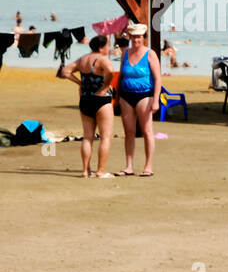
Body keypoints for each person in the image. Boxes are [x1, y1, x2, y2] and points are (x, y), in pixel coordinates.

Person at [57, 34, 116, 178]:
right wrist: (106, 86)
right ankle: (101, 170)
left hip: (85, 99)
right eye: (107, 46)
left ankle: (85, 171)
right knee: (105, 137)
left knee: (88, 137)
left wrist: (79, 82)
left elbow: (65, 71)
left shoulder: (83, 59)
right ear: (102, 48)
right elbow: (110, 71)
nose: (108, 48)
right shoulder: (102, 59)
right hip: (101, 100)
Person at [116, 23, 162, 176]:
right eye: (134, 37)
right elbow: (120, 76)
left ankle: (148, 166)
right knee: (129, 132)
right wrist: (117, 96)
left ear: (144, 38)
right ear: (130, 37)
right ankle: (128, 166)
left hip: (145, 95)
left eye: (139, 37)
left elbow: (158, 78)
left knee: (147, 131)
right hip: (126, 95)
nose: (136, 40)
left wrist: (156, 100)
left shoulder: (150, 54)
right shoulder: (125, 53)